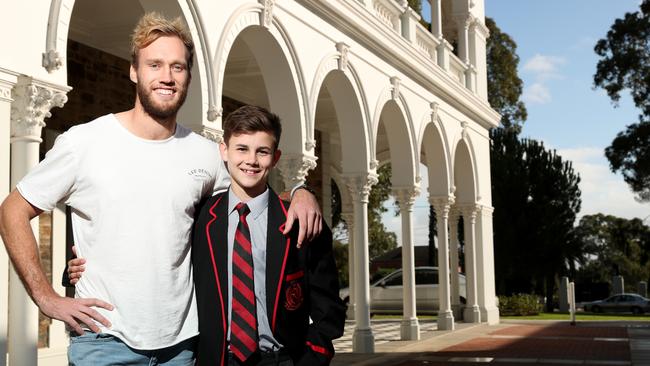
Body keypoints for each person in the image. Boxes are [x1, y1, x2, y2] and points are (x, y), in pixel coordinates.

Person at [0, 12, 321, 365]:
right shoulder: (85, 142)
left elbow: (255, 197)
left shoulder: (204, 152)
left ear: (188, 76)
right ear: (134, 71)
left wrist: (302, 192)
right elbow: (13, 210)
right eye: (155, 64)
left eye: (177, 67)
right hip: (105, 342)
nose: (166, 77)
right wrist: (46, 298)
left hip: (182, 345)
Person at [192, 105, 345, 366]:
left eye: (262, 151)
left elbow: (328, 307)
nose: (251, 160)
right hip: (218, 358)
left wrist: (314, 356)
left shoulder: (300, 221)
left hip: (282, 358)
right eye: (241, 149)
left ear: (275, 158)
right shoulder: (201, 218)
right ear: (224, 151)